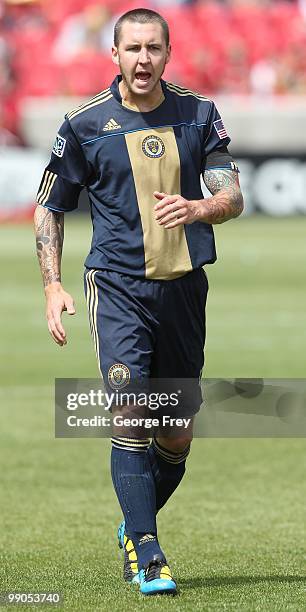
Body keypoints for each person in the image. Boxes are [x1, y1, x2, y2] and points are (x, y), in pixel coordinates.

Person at [34, 8, 243, 597]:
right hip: (118, 285)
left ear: (168, 53)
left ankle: (134, 522)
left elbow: (232, 195)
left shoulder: (198, 115)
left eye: (153, 48)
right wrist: (52, 284)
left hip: (183, 289)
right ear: (115, 55)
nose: (143, 59)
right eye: (132, 49)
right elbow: (50, 205)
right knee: (130, 409)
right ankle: (148, 554)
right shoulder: (84, 124)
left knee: (175, 431)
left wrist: (198, 208)